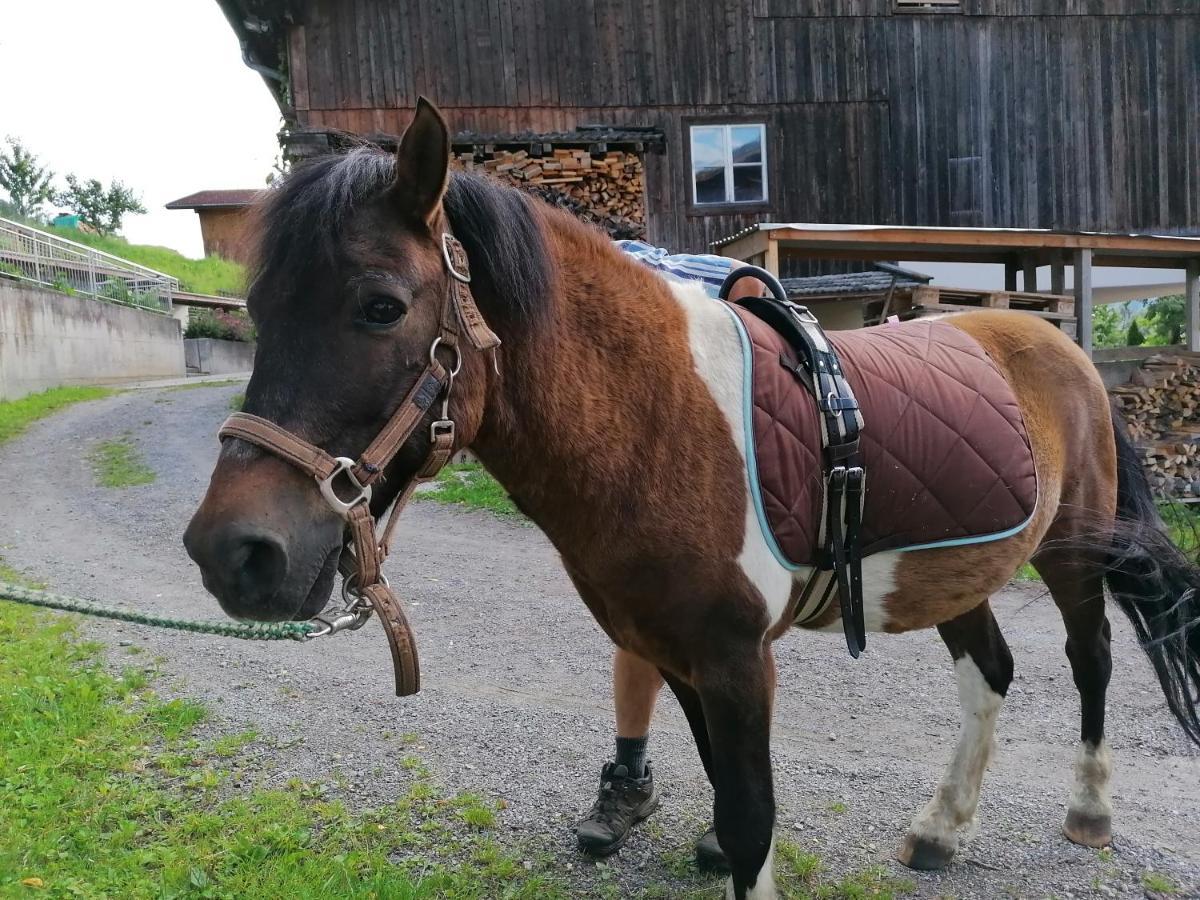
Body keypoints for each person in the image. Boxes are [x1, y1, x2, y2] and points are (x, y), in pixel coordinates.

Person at [572, 240, 766, 870]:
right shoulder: (569, 284)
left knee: (739, 630)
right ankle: (631, 777)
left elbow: (750, 285)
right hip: (622, 477)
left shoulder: (641, 262)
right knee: (635, 631)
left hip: (708, 467)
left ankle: (736, 797)